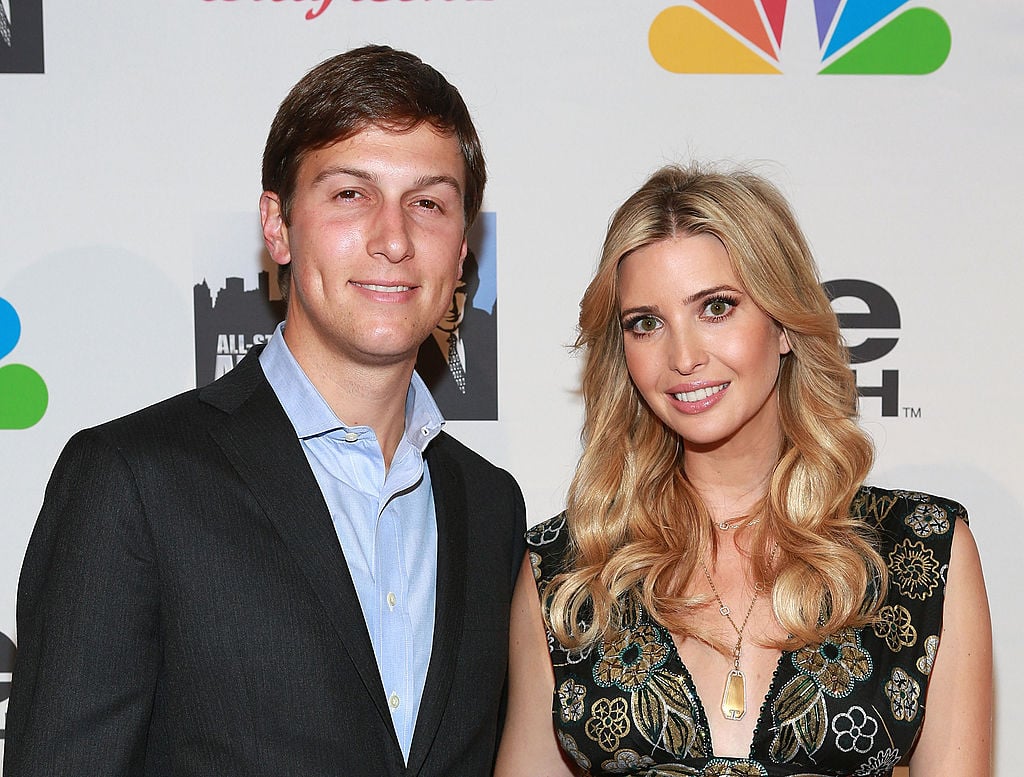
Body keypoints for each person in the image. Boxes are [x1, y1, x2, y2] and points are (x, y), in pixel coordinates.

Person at [5, 45, 526, 777]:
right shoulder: (132, 480)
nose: (394, 239)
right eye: (350, 194)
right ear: (277, 226)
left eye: (429, 203)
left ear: (464, 249)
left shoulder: (491, 508)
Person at [495, 165, 991, 776]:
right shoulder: (568, 571)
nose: (683, 357)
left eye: (716, 307)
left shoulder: (921, 552)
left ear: (784, 324)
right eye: (646, 323)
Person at [416, 249, 498, 420]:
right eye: (448, 292)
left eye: (460, 292)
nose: (452, 306)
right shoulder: (410, 344)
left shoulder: (485, 331)